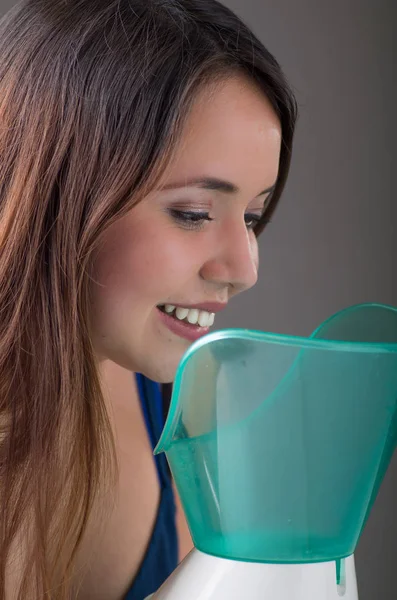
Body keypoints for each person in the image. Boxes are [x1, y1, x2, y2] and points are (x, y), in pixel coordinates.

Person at [0, 0, 298, 598]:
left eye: (252, 215)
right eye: (192, 213)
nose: (243, 269)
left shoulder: (174, 402)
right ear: (58, 194)